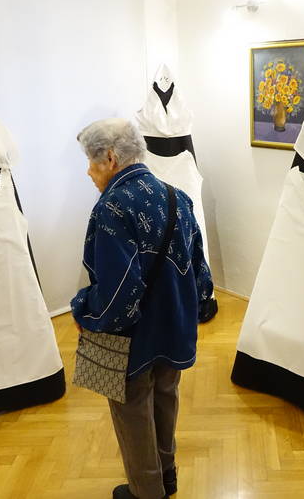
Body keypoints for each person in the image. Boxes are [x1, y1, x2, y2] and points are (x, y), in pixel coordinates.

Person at [71, 118, 213, 499]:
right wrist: (194, 309)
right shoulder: (177, 197)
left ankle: (146, 492)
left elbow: (117, 294)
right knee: (165, 398)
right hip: (174, 328)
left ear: (111, 158)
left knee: (132, 411)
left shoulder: (112, 208)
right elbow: (200, 273)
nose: (88, 171)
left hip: (131, 339)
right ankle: (167, 476)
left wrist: (83, 309)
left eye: (91, 161)